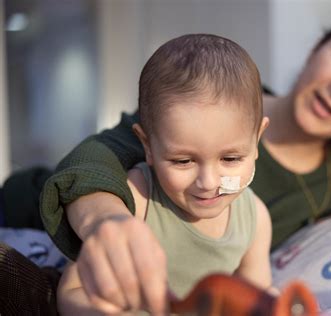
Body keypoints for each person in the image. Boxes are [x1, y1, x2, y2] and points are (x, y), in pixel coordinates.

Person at [32, 7, 331, 313]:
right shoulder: (211, 96)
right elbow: (97, 157)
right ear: (320, 45)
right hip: (31, 203)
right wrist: (107, 222)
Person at [56, 34, 272, 314]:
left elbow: (258, 295)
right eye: (183, 161)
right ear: (148, 146)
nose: (208, 183)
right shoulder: (135, 199)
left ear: (256, 143)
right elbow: (72, 293)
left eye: (230, 158)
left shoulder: (254, 219)